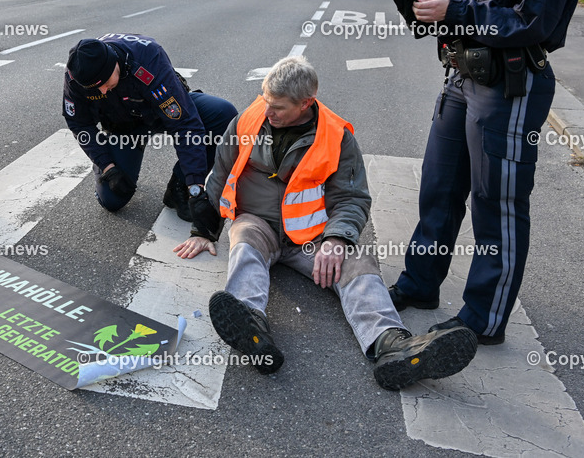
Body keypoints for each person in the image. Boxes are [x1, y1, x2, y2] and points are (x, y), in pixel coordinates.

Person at [389, 0, 584, 346]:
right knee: (439, 188)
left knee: (494, 201)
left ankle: (484, 316)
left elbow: (535, 21)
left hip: (509, 88)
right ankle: (420, 282)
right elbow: (471, 1)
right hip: (463, 76)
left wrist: (455, 10)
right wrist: (429, 15)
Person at [175, 57, 478, 389]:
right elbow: (220, 176)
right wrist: (203, 230)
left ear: (306, 103)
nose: (268, 112)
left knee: (358, 265)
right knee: (244, 244)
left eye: (278, 107)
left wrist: (337, 239)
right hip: (258, 222)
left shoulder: (336, 136)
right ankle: (250, 327)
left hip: (312, 235)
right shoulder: (247, 120)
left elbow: (352, 198)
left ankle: (393, 345)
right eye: (266, 101)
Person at [63, 34, 237, 238]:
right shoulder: (77, 74)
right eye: (94, 89)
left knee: (222, 114)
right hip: (123, 128)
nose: (101, 91)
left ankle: (178, 187)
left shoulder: (147, 57)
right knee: (112, 200)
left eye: (104, 83)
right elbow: (79, 123)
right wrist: (108, 167)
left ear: (113, 64)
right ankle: (125, 156)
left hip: (159, 112)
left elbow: (184, 124)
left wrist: (195, 187)